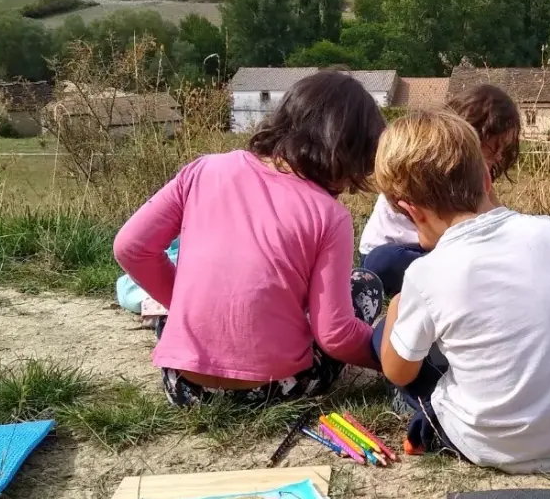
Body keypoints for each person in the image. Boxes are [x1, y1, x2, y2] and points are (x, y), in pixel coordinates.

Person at [370, 110, 550, 472]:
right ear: (487, 179)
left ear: (411, 211)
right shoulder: (547, 232)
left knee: (386, 334)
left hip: (488, 444)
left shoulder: (424, 273)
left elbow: (398, 373)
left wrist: (397, 305)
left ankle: (426, 424)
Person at [113, 71, 386, 407]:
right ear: (349, 155)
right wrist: (389, 359)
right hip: (273, 386)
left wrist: (181, 303)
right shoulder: (331, 216)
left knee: (180, 313)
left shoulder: (204, 170)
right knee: (364, 284)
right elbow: (335, 334)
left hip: (183, 385)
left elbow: (131, 247)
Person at [359, 84, 521, 296]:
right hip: (403, 250)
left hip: (442, 248)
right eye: (495, 146)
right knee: (384, 262)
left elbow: (496, 217)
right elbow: (434, 236)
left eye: (504, 148)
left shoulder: (474, 176)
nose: (500, 155)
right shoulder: (424, 169)